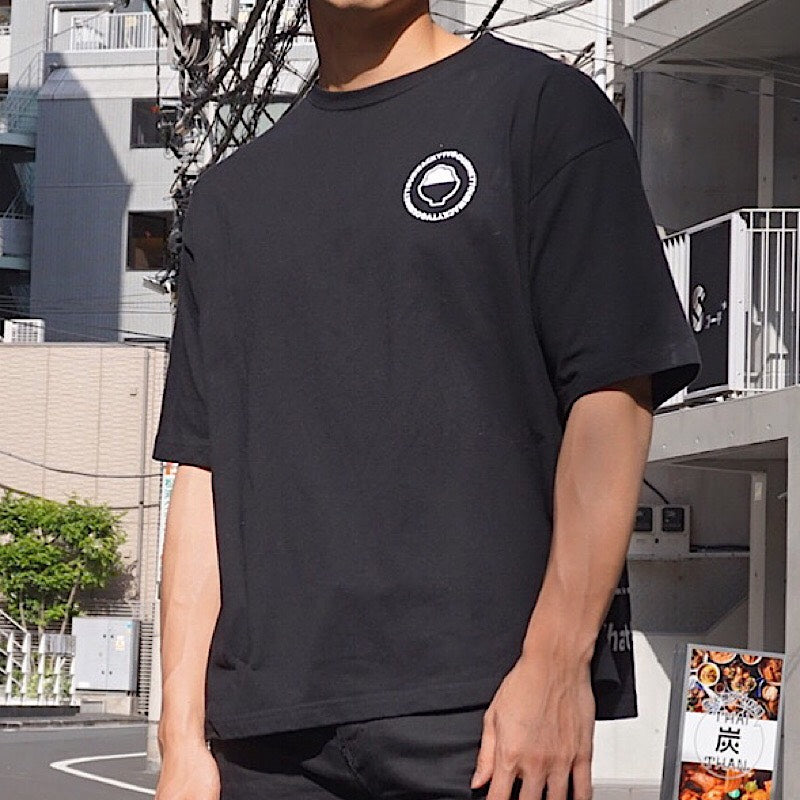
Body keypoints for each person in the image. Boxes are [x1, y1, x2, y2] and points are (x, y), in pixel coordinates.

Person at [151, 6, 701, 800]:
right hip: (268, 737)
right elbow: (203, 471)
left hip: (483, 715)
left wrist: (556, 663)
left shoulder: (540, 109)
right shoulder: (230, 200)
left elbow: (612, 390)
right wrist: (180, 741)